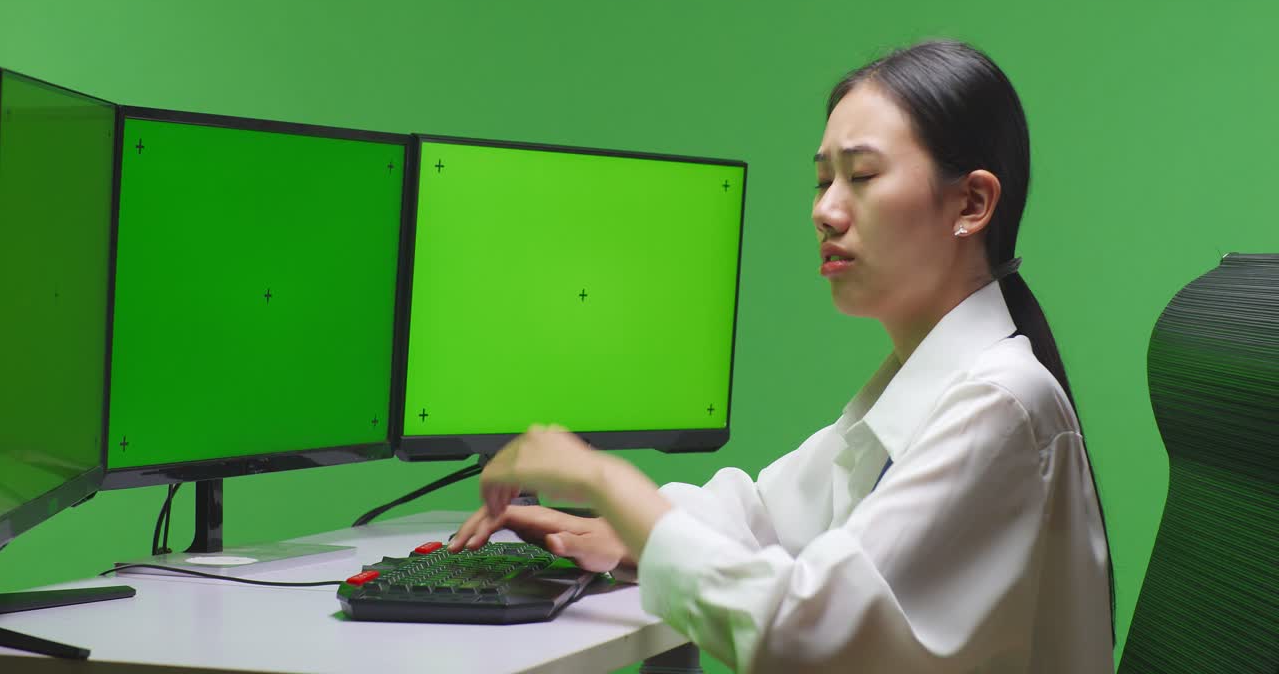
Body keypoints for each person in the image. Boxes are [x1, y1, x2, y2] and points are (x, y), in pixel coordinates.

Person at [449, 39, 1114, 673]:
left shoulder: (999, 405)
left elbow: (808, 637)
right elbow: (766, 513)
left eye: (861, 176)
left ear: (971, 203)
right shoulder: (927, 386)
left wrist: (607, 484)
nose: (825, 210)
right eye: (824, 179)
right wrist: (628, 529)